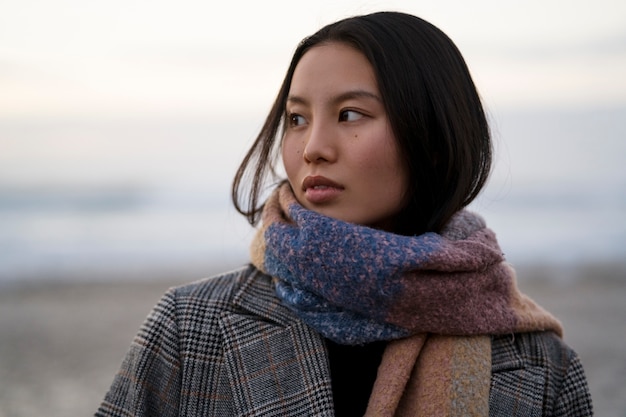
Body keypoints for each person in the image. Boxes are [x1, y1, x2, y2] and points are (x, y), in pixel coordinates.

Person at [96, 11, 593, 417]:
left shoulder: (540, 366)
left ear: (434, 139)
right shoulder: (190, 327)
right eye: (296, 119)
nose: (312, 148)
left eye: (350, 114)